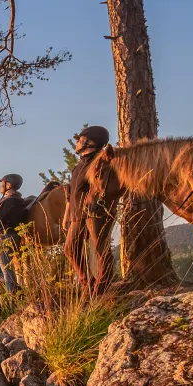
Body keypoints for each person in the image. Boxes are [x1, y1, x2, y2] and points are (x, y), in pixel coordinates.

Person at [63, 125, 112, 292]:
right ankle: (87, 283)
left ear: (90, 142)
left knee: (100, 249)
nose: (76, 142)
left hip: (94, 212)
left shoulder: (100, 162)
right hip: (77, 214)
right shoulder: (78, 166)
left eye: (80, 139)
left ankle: (104, 287)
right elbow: (71, 193)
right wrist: (67, 215)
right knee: (70, 248)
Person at [0, 173, 28, 294]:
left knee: (6, 272)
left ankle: (15, 297)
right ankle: (18, 289)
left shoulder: (7, 201)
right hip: (15, 237)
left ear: (8, 185)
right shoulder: (20, 201)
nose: (1, 185)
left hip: (3, 238)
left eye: (2, 183)